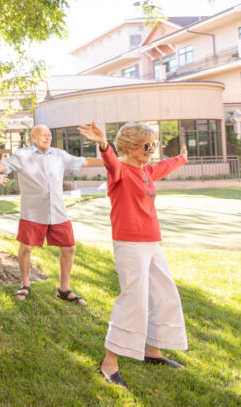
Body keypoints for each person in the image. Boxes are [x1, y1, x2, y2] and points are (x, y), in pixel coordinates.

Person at [78, 121, 188, 389]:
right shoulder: (120, 172)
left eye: (154, 145)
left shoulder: (147, 170)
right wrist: (104, 145)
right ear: (129, 146)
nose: (152, 150)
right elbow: (110, 162)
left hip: (152, 243)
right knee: (133, 301)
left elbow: (166, 165)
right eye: (147, 146)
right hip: (129, 244)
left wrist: (182, 157)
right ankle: (109, 363)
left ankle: (153, 351)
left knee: (166, 294)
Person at [0, 125, 102, 304]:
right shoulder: (23, 155)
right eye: (43, 135)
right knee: (26, 248)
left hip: (58, 211)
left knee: (69, 248)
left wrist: (111, 160)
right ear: (33, 137)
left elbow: (83, 161)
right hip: (32, 212)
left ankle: (64, 289)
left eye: (49, 135)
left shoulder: (59, 155)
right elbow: (3, 165)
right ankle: (25, 284)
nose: (48, 138)